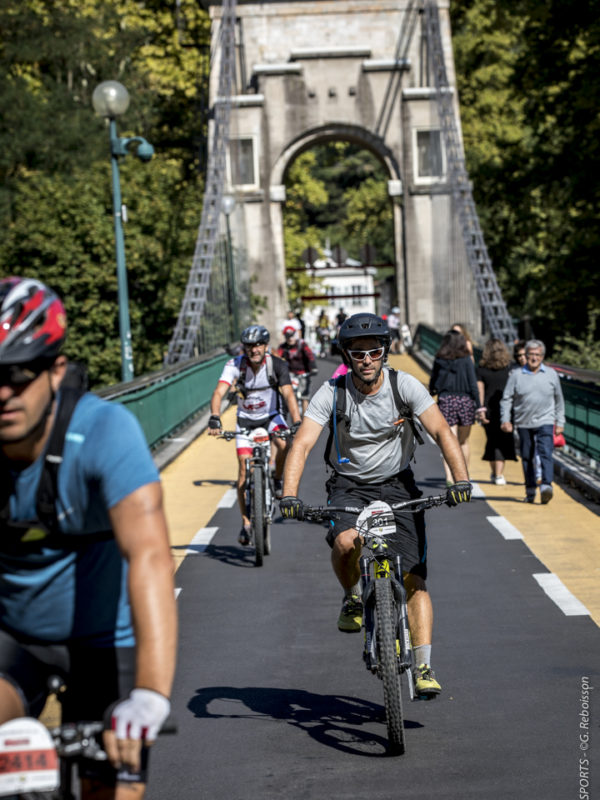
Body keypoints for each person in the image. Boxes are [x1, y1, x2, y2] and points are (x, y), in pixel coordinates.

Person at [0, 277, 177, 800]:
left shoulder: (104, 432)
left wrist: (149, 693)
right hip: (16, 636)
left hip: (108, 640)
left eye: (17, 373)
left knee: (114, 789)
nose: (2, 393)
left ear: (56, 370)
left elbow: (148, 556)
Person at [279, 313, 471, 698]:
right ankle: (352, 595)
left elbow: (441, 431)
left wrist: (461, 480)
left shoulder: (405, 386)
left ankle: (423, 666)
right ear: (346, 356)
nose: (367, 360)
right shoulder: (332, 394)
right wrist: (289, 495)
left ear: (384, 353)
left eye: (375, 352)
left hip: (398, 485)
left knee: (414, 577)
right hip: (348, 485)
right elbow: (301, 444)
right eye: (357, 353)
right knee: (346, 543)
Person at [208, 324, 301, 544]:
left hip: (271, 417)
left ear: (266, 346)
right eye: (249, 346)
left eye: (258, 345)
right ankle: (246, 522)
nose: (254, 349)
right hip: (245, 421)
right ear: (244, 348)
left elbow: (288, 394)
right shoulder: (235, 366)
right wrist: (214, 416)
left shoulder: (277, 365)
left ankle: (277, 478)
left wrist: (296, 421)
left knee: (284, 442)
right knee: (242, 468)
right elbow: (219, 392)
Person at [500, 339, 565, 504]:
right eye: (531, 355)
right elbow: (506, 398)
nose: (534, 358)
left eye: (537, 355)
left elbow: (559, 399)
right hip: (523, 421)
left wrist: (560, 422)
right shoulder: (516, 375)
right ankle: (530, 489)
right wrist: (505, 419)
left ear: (542, 356)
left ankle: (546, 486)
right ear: (526, 356)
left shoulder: (551, 374)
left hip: (546, 419)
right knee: (527, 456)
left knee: (545, 452)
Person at [429, 329, 479, 485]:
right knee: (463, 442)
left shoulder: (439, 359)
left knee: (449, 440)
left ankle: (450, 477)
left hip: (446, 400)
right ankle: (464, 477)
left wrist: (432, 393)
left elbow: (433, 381)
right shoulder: (466, 360)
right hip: (465, 401)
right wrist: (479, 405)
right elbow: (473, 382)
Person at [475, 338, 517, 485]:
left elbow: (479, 389)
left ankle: (495, 473)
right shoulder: (510, 368)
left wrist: (480, 409)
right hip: (507, 409)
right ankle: (498, 474)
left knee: (492, 440)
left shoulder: (481, 369)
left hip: (488, 409)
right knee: (502, 441)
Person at [277, 325, 318, 416]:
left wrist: (313, 367)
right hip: (290, 374)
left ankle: (305, 418)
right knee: (289, 395)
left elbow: (310, 355)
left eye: (292, 336)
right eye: (288, 337)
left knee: (304, 396)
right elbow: (277, 358)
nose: (290, 339)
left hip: (304, 373)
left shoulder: (302, 344)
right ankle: (295, 420)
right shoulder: (283, 347)